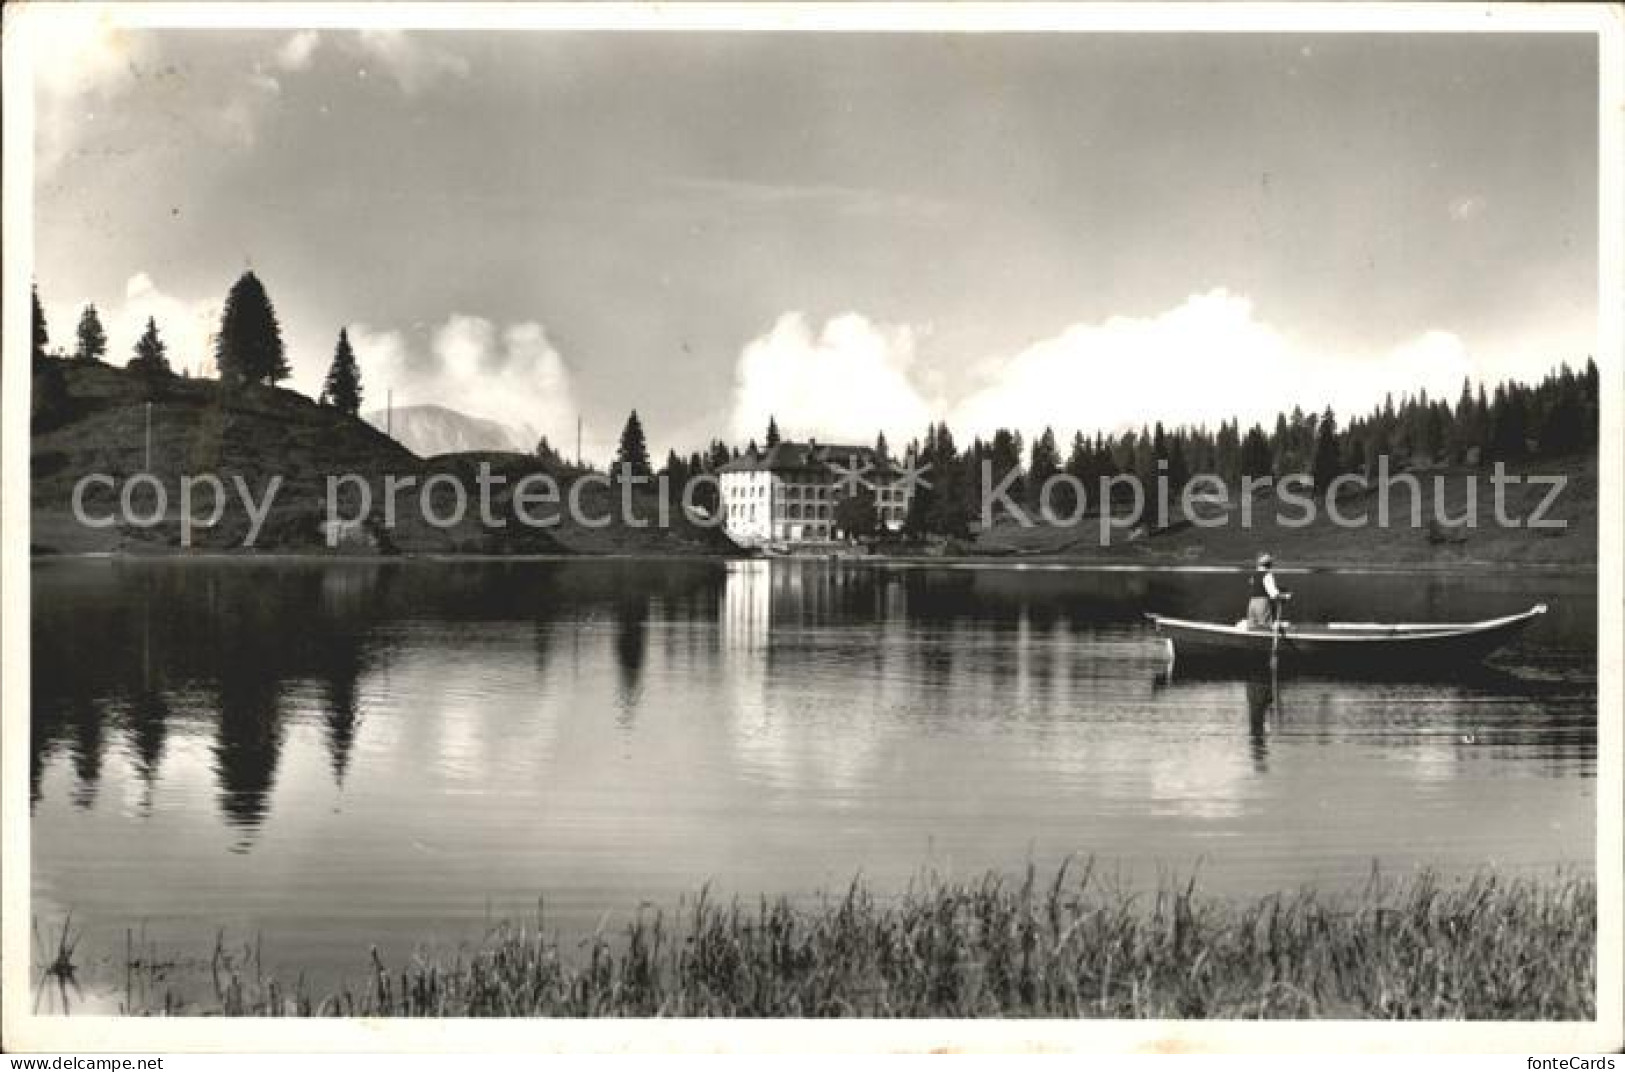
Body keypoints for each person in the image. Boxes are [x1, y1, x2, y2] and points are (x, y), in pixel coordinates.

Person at [1246, 552, 1290, 628]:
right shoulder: (1267, 575)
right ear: (1269, 564)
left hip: (1252, 603)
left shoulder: (1254, 575)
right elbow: (1274, 595)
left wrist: (1278, 589)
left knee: (1253, 627)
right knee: (1266, 626)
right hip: (1262, 604)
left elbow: (1259, 586)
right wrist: (1285, 596)